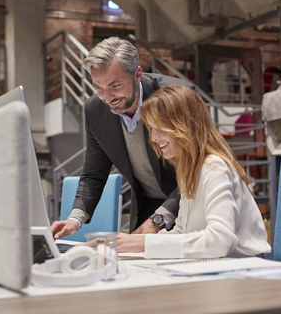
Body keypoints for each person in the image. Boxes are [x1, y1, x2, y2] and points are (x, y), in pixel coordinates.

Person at [51, 37, 198, 239]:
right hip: (147, 206)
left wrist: (159, 220)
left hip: (189, 200)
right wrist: (75, 219)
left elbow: (195, 169)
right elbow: (94, 174)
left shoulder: (177, 97)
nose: (107, 97)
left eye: (115, 85)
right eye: (98, 87)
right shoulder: (95, 109)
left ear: (137, 74)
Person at [117, 85, 272, 259]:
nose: (153, 138)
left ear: (183, 126)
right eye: (152, 129)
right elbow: (182, 232)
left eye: (159, 128)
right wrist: (134, 245)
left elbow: (221, 240)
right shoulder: (189, 171)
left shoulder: (214, 167)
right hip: (220, 263)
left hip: (248, 265)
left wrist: (145, 244)